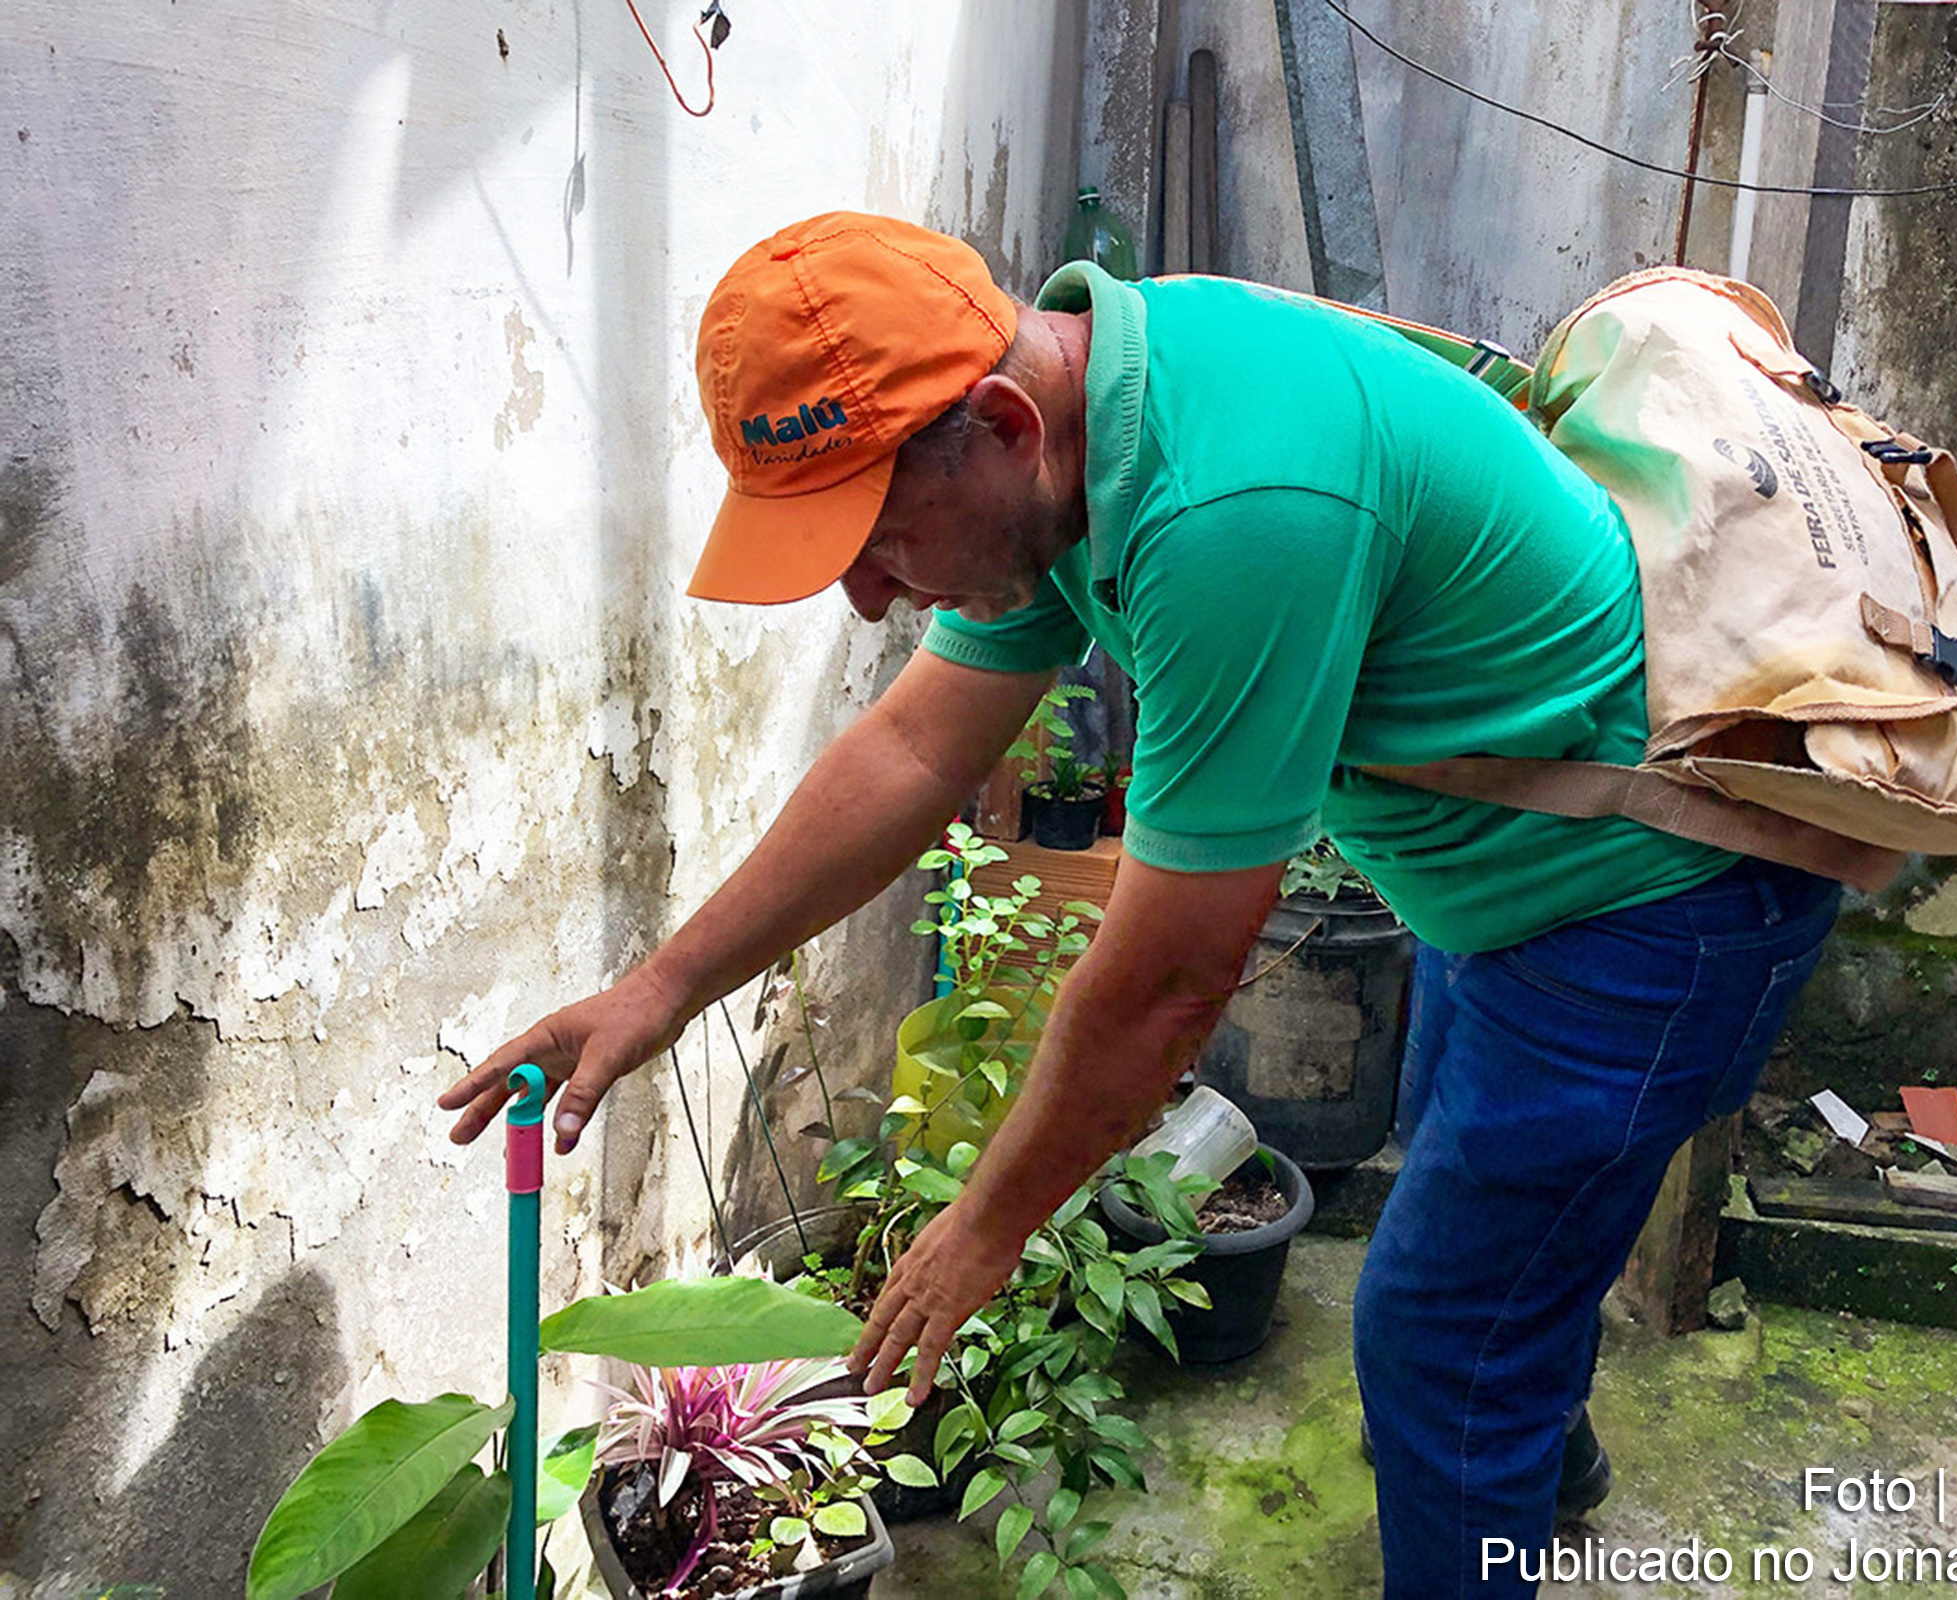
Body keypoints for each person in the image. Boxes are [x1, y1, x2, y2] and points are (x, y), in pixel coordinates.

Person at [438, 211, 1840, 1597]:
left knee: (1436, 1332)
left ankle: (1500, 1483)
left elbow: (1173, 980)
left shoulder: (1233, 511)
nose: (869, 600)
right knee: (1502, 1253)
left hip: (1652, 910)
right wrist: (662, 987)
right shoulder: (1073, 435)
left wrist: (985, 1224)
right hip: (1498, 892)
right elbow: (918, 748)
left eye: (872, 539)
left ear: (997, 421)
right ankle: (1538, 1471)